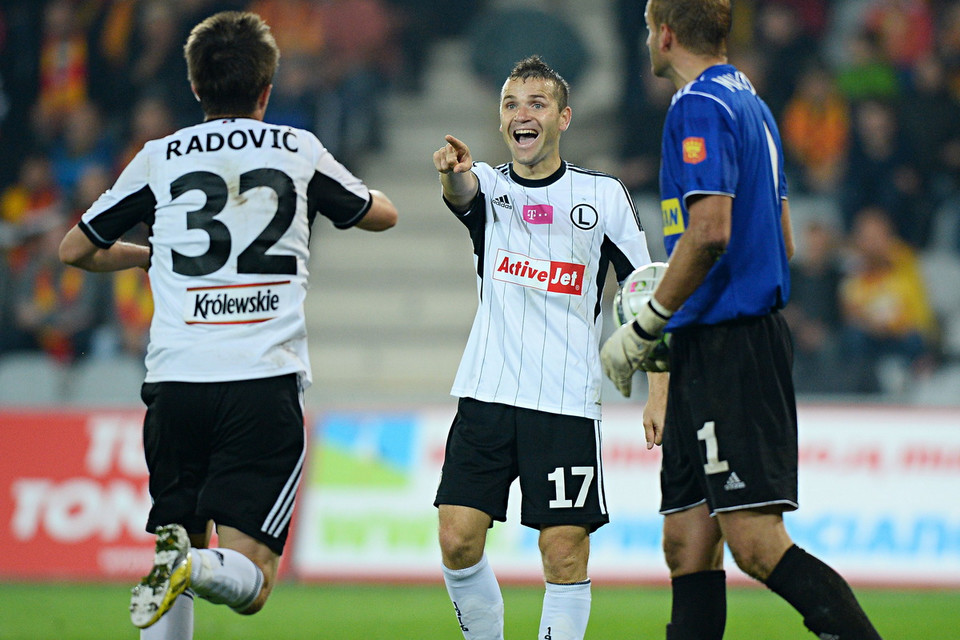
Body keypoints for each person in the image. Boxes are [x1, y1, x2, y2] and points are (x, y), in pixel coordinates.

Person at [58, 10, 397, 638]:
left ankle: (179, 559)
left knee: (174, 540)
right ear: (266, 88)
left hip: (175, 384)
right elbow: (380, 215)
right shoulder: (297, 147)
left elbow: (74, 249)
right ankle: (190, 564)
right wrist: (367, 199)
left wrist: (143, 254)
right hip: (260, 382)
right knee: (252, 578)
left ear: (195, 87)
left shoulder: (159, 157)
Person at [600, 2, 883, 639]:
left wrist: (648, 324)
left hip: (731, 347)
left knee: (754, 543)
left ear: (665, 33)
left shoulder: (698, 105)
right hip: (714, 343)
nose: (648, 40)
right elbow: (777, 237)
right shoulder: (751, 103)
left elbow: (707, 231)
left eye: (649, 29)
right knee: (687, 542)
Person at [431, 55, 654, 640]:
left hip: (565, 401)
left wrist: (660, 389)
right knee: (456, 539)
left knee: (563, 556)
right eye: (510, 104)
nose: (521, 115)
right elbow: (462, 192)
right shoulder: (490, 186)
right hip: (486, 390)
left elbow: (647, 297)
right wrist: (451, 171)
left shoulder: (602, 197)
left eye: (536, 104)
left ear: (564, 117)